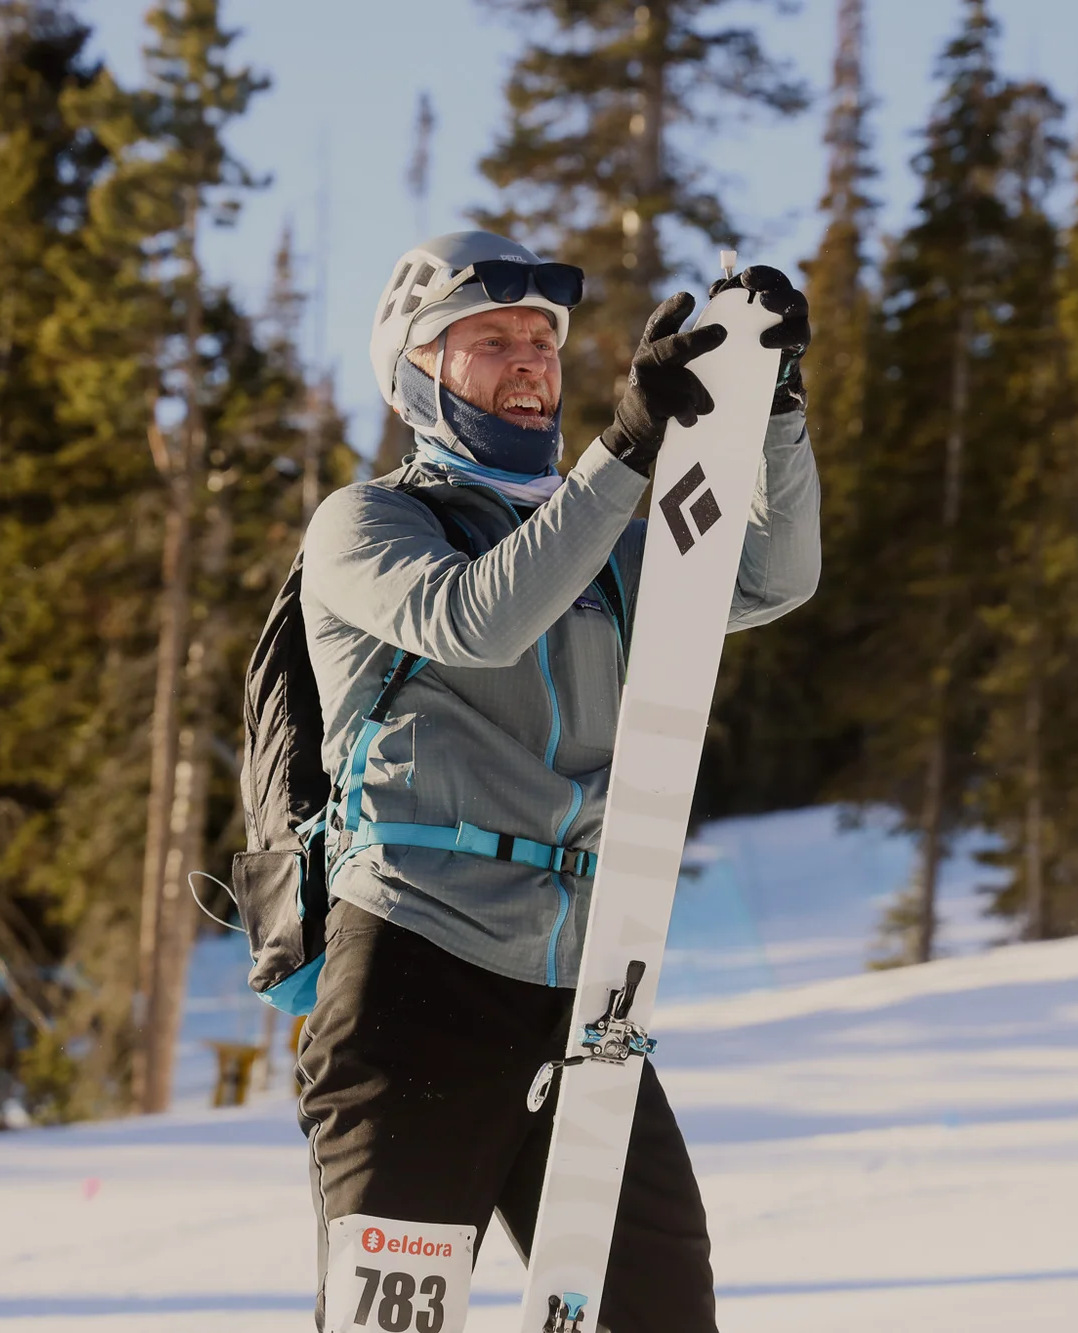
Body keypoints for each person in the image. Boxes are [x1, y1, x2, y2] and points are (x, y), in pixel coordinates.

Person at [296, 229, 820, 1333]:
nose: (531, 360)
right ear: (414, 371)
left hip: (586, 996)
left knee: (660, 1310)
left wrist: (769, 402)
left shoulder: (600, 553)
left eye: (543, 338)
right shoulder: (369, 524)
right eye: (492, 339)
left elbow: (772, 574)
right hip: (411, 978)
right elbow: (476, 616)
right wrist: (626, 452)